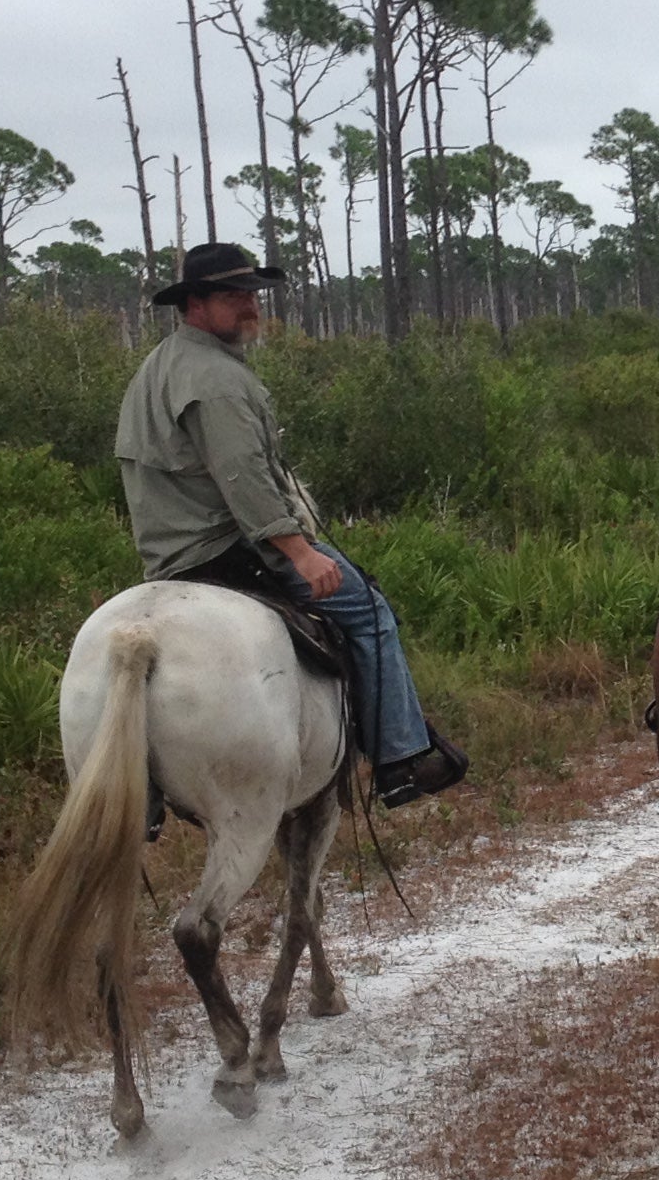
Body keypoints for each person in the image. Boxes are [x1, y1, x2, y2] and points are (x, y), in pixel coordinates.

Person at [114, 241, 466, 812]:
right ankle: (400, 757)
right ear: (195, 304)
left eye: (252, 293)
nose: (250, 305)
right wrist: (300, 551)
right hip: (224, 547)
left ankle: (147, 790)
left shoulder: (162, 364)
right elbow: (244, 478)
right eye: (233, 295)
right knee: (367, 609)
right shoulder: (215, 378)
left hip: (167, 556)